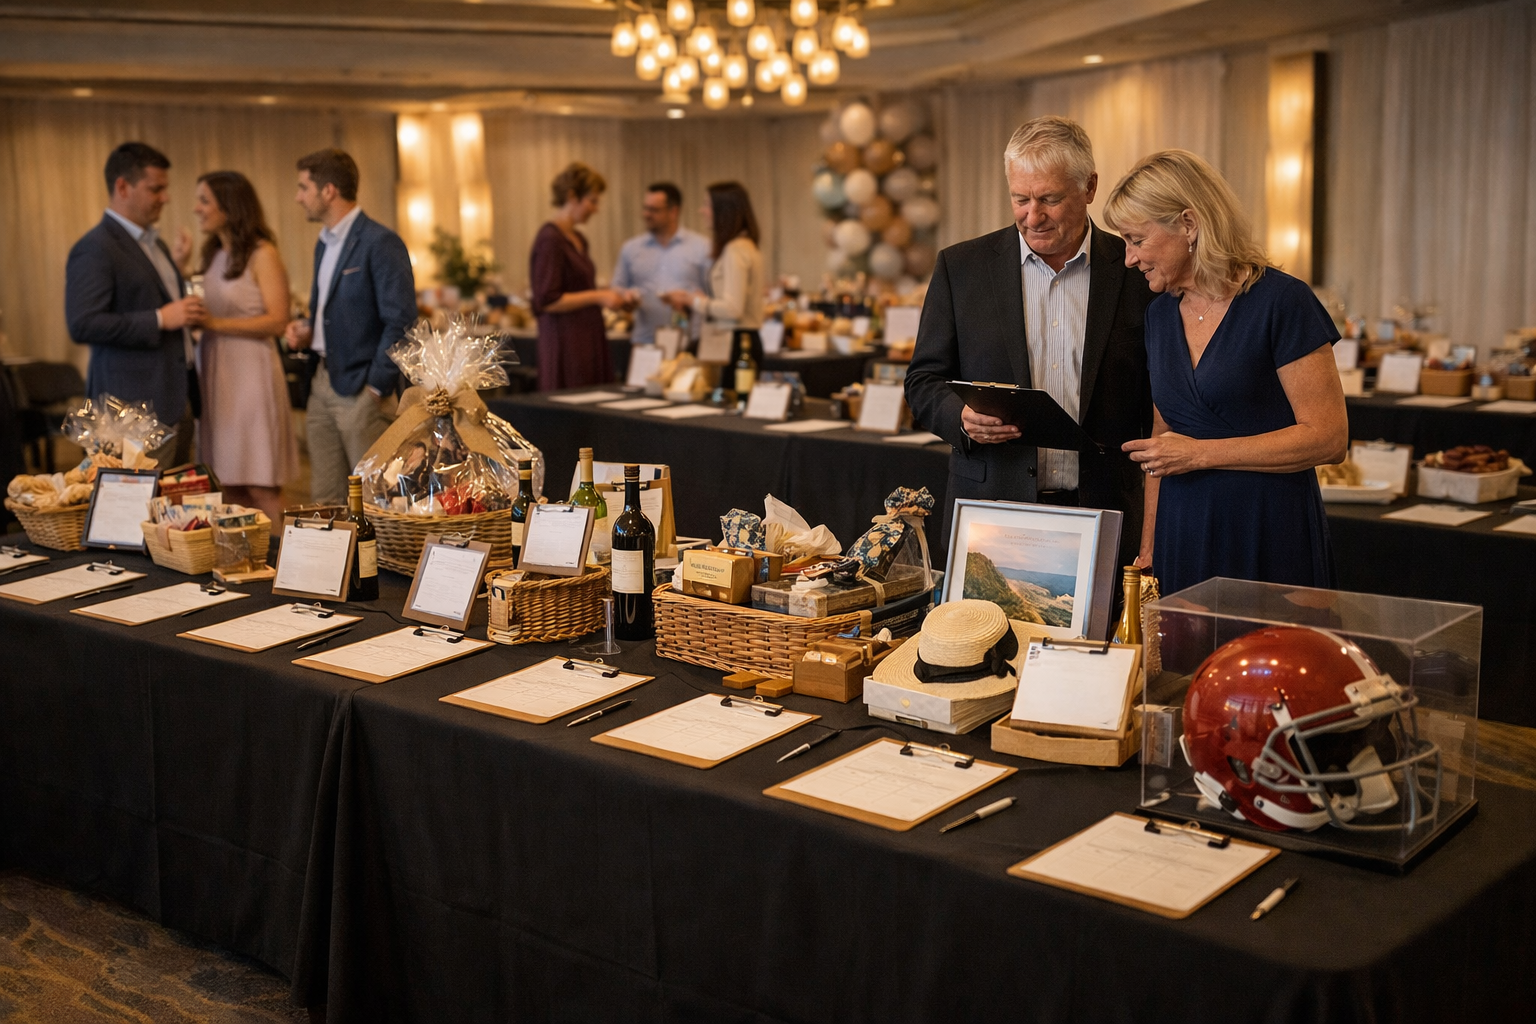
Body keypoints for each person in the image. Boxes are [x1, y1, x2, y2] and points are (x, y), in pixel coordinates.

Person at [903, 117, 1156, 571]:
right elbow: (923, 381)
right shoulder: (962, 268)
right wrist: (960, 417)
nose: (1032, 216)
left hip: (1104, 509)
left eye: (1049, 199)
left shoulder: (1135, 270)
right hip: (992, 509)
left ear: (1090, 187)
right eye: (1020, 198)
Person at [1104, 149, 1346, 595]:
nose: (1129, 258)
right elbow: (1163, 437)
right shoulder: (1158, 315)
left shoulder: (1283, 302)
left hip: (1267, 528)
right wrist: (1150, 547)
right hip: (1183, 532)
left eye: (1136, 239)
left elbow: (1329, 438)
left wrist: (1200, 454)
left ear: (1190, 225)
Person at [283, 148, 416, 507]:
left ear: (328, 191)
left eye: (303, 187)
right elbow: (340, 313)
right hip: (321, 381)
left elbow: (401, 321)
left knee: (376, 499)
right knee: (325, 499)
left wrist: (376, 387)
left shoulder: (380, 242)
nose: (298, 197)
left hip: (361, 388)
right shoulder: (323, 243)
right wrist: (310, 330)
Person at [66, 142, 205, 468]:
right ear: (123, 187)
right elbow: (83, 322)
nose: (165, 198)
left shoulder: (155, 244)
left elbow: (147, 298)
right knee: (133, 511)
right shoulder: (96, 247)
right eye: (156, 189)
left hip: (175, 398)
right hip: (129, 412)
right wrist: (159, 319)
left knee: (170, 511)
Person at [190, 170, 297, 530]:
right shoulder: (214, 255)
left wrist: (214, 325)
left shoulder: (263, 254)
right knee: (227, 479)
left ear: (229, 206)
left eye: (204, 200)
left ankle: (284, 559)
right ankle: (245, 559)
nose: (197, 208)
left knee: (259, 479)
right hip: (217, 373)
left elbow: (278, 320)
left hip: (251, 374)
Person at [529, 162, 629, 390]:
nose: (596, 209)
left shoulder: (579, 239)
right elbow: (547, 300)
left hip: (586, 337)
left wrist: (610, 295)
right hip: (565, 342)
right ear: (572, 197)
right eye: (592, 201)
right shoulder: (550, 239)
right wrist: (599, 296)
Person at [611, 182, 712, 348]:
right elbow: (617, 287)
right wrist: (627, 297)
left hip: (688, 342)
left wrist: (688, 301)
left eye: (654, 210)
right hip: (644, 342)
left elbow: (711, 296)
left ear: (674, 211)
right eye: (645, 208)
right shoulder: (631, 248)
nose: (646, 214)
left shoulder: (702, 247)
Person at [662, 181, 765, 335]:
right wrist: (698, 300)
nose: (701, 210)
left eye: (707, 205)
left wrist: (692, 300)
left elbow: (733, 309)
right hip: (735, 336)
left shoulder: (734, 249)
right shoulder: (744, 245)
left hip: (734, 339)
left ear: (724, 211)